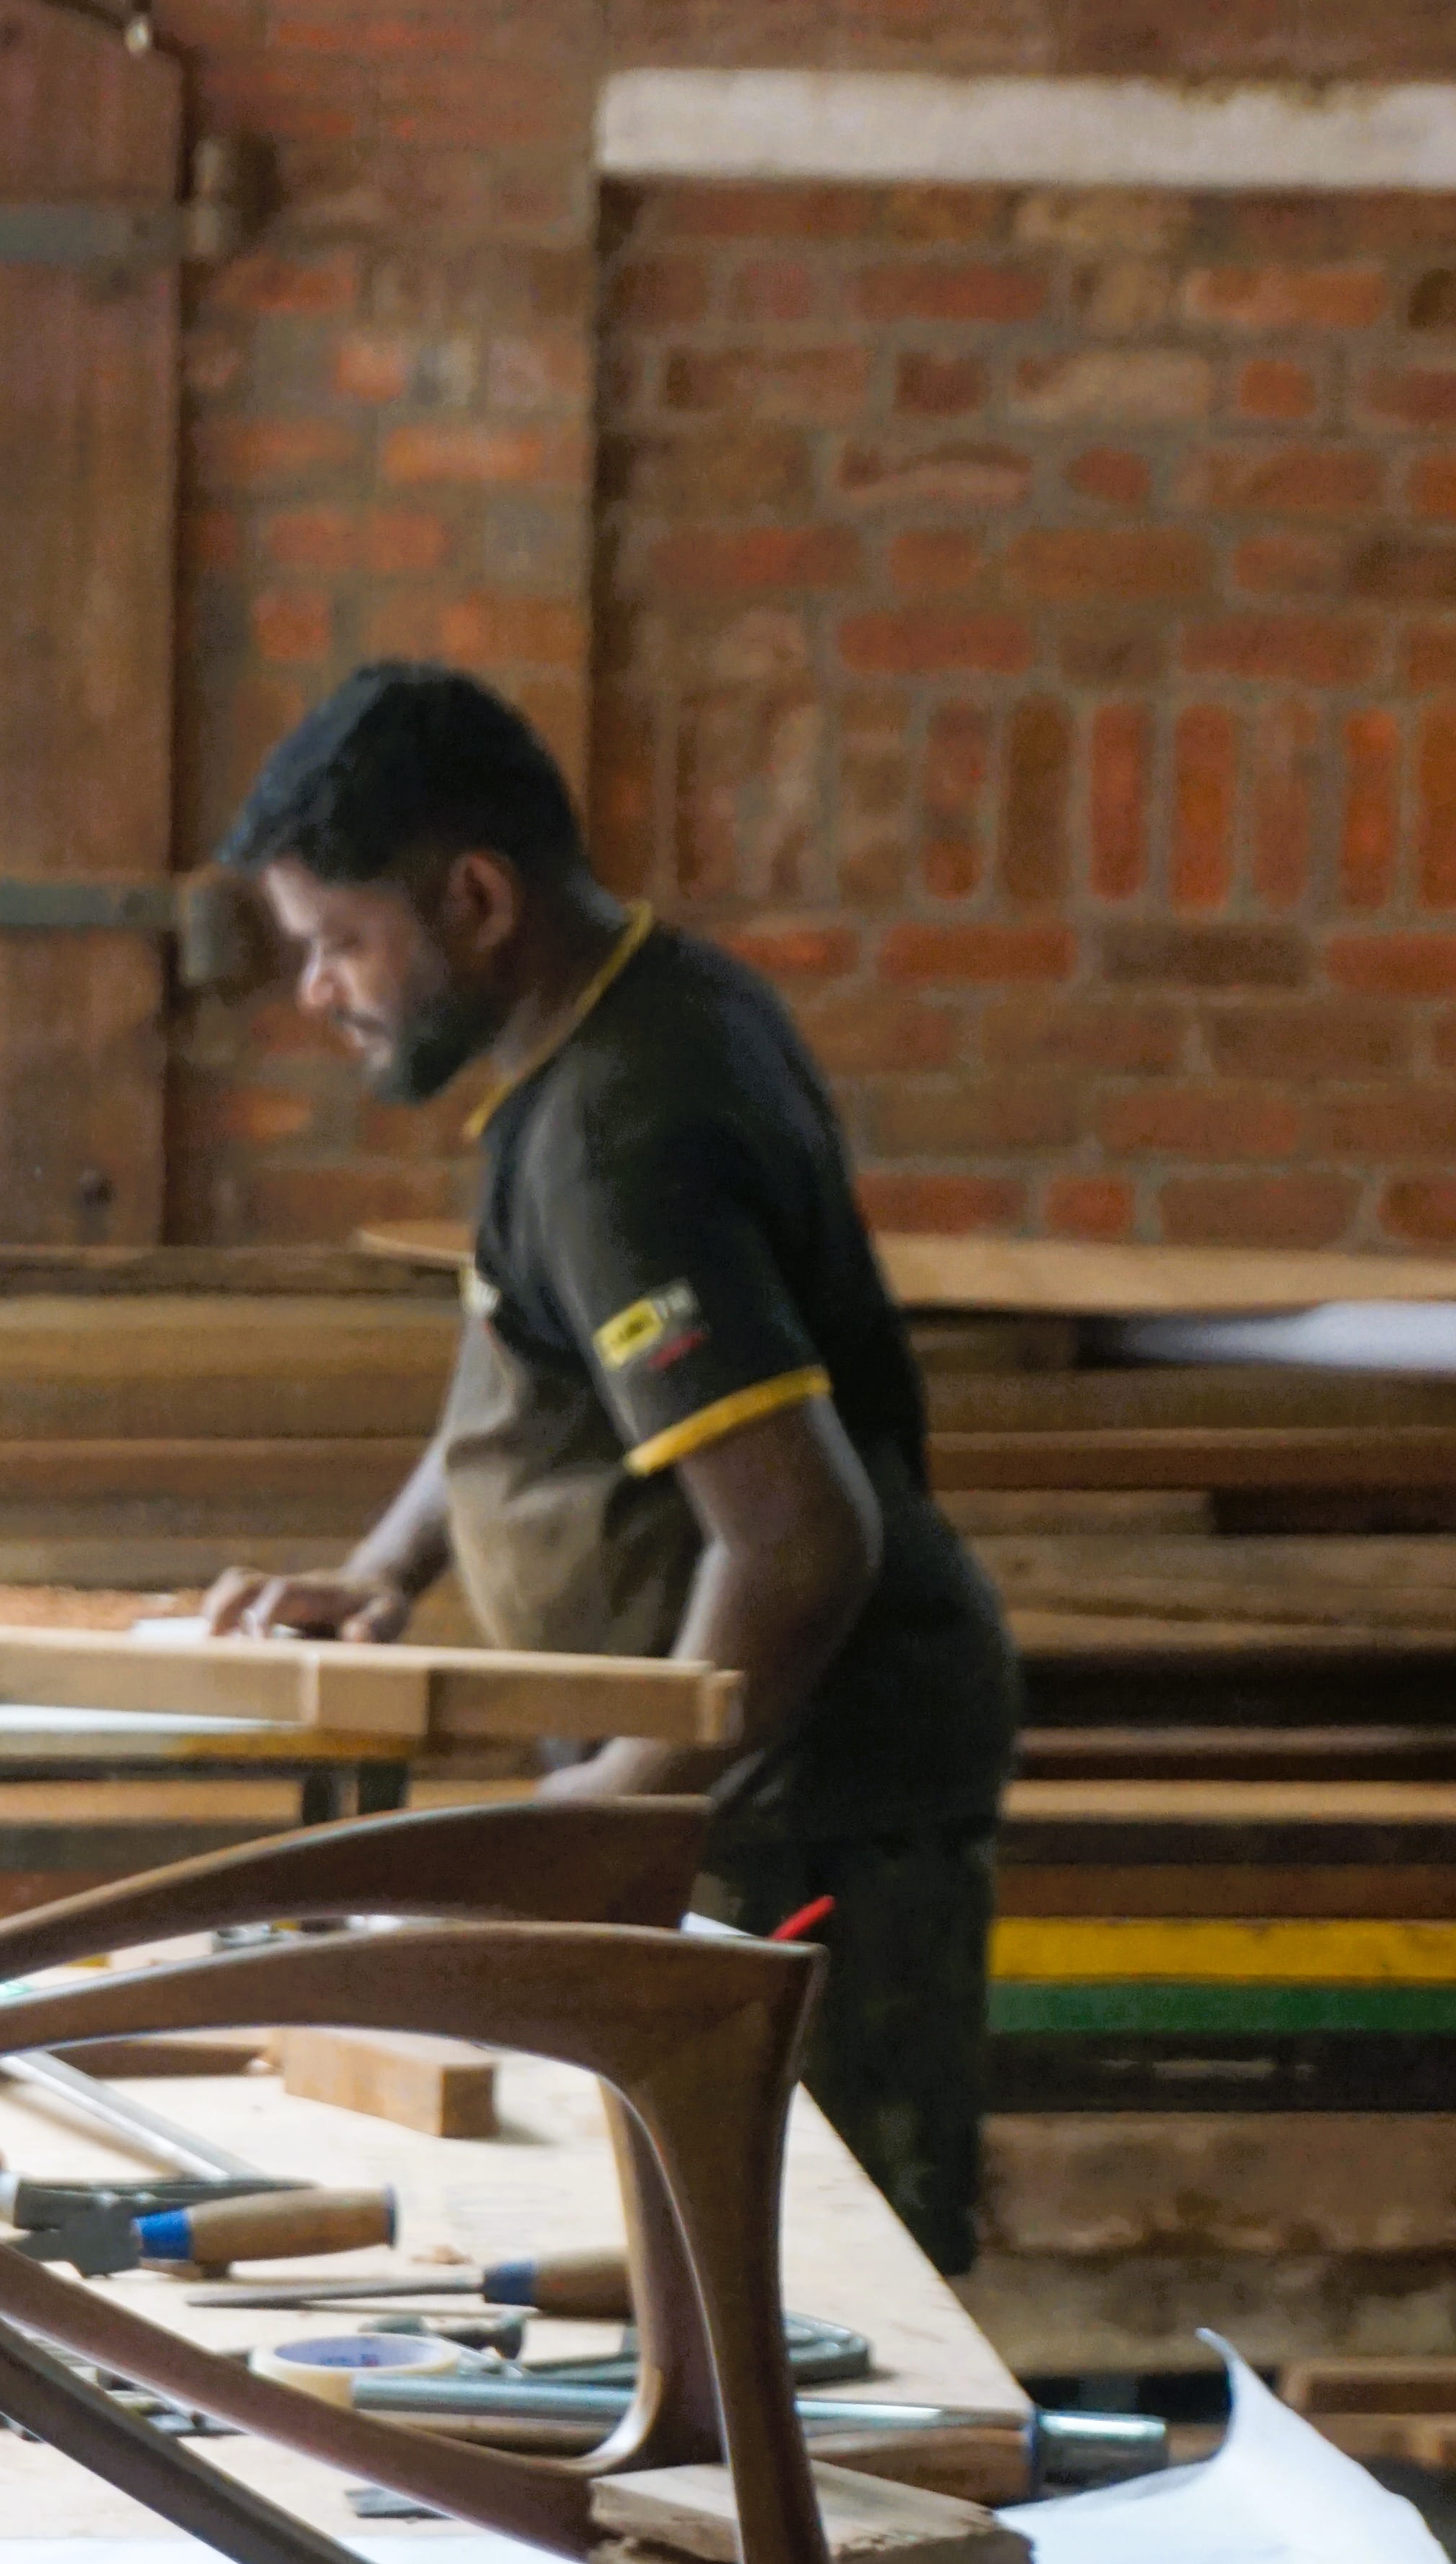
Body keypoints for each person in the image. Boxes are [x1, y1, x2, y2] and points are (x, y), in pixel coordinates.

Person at [200, 664, 1018, 2274]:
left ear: (476, 898)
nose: (316, 991)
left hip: (795, 1804)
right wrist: (385, 1567)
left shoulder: (612, 1133)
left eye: (339, 941)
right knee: (722, 2284)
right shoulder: (646, 1014)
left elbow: (797, 1542)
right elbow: (539, 1379)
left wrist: (620, 1806)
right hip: (757, 1776)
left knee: (823, 2310)